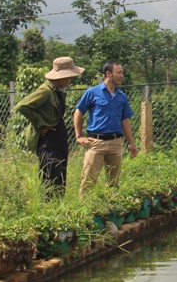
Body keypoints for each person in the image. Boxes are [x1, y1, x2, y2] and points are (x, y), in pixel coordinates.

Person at [15, 56, 84, 197]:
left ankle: (57, 207)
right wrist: (42, 125)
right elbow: (22, 106)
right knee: (50, 183)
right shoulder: (45, 91)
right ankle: (49, 208)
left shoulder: (56, 90)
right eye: (69, 76)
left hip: (58, 141)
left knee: (59, 182)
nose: (70, 80)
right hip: (49, 144)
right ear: (61, 76)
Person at [74, 61, 138, 195]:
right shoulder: (92, 92)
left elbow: (125, 120)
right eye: (119, 72)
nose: (122, 75)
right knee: (88, 182)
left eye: (122, 72)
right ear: (108, 74)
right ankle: (85, 205)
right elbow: (79, 112)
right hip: (95, 143)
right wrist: (79, 136)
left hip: (116, 143)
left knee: (113, 183)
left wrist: (132, 143)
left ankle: (111, 205)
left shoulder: (122, 96)